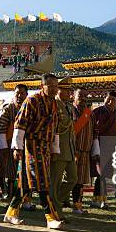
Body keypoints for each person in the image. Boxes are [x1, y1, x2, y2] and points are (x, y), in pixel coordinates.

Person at [3, 74, 63, 229]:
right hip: (31, 145)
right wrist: (17, 147)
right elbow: (20, 124)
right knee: (42, 181)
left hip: (45, 147)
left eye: (56, 86)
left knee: (26, 182)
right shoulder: (32, 101)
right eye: (51, 86)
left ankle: (11, 213)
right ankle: (50, 217)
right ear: (42, 86)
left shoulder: (54, 104)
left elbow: (55, 128)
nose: (54, 89)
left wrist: (55, 148)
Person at [0, 84, 29, 199]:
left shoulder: (28, 108)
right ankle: (11, 195)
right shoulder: (10, 109)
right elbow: (1, 129)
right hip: (10, 146)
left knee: (23, 173)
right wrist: (4, 147)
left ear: (26, 95)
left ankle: (20, 196)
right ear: (14, 95)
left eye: (22, 93)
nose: (19, 96)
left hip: (25, 146)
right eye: (17, 93)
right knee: (12, 173)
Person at [49, 78, 77, 221]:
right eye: (65, 90)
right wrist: (54, 150)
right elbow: (54, 128)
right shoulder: (54, 105)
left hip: (69, 150)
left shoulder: (68, 106)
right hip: (58, 150)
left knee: (73, 179)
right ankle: (55, 210)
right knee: (55, 182)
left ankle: (55, 203)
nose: (68, 93)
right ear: (58, 90)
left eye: (69, 90)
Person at [91, 91, 116, 209]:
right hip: (99, 147)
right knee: (101, 174)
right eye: (108, 99)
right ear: (104, 98)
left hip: (112, 148)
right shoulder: (96, 112)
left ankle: (96, 200)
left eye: (113, 100)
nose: (110, 102)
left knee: (104, 176)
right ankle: (103, 201)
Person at [71, 88, 99, 213]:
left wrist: (94, 150)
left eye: (84, 95)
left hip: (85, 152)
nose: (82, 97)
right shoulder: (69, 111)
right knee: (68, 180)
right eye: (79, 95)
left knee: (80, 181)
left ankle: (78, 205)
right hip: (71, 152)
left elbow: (95, 132)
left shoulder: (90, 113)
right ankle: (61, 202)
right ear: (73, 96)